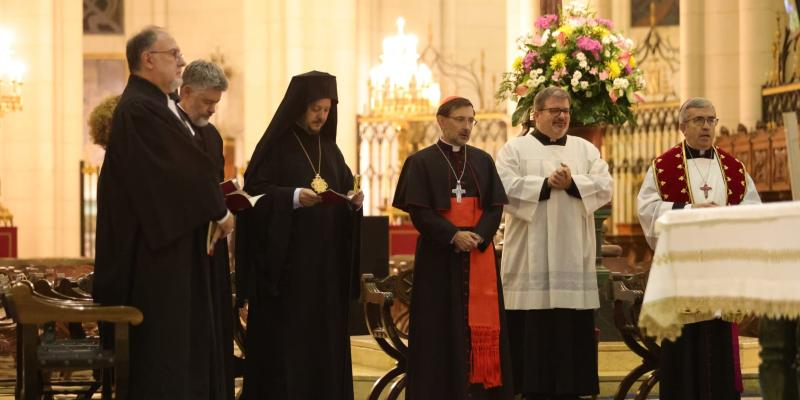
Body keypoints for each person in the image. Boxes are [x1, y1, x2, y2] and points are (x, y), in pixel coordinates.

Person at [93, 26, 234, 399]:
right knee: (163, 356)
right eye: (174, 54)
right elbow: (181, 172)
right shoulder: (140, 109)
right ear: (148, 59)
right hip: (151, 259)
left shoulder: (154, 105)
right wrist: (219, 212)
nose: (181, 62)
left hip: (167, 251)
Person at [235, 70, 363, 400]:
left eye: (327, 110)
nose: (322, 116)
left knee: (324, 350)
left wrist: (353, 202)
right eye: (315, 109)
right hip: (286, 275)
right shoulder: (275, 148)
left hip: (325, 275)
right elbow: (253, 197)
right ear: (299, 107)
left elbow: (345, 189)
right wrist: (292, 197)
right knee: (287, 354)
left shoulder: (330, 151)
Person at [637, 97, 761, 400]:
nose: (706, 126)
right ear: (683, 127)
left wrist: (725, 216)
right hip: (682, 274)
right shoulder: (663, 167)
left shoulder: (734, 169)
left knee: (718, 347)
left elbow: (753, 211)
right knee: (685, 349)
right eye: (698, 120)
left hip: (721, 274)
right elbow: (647, 210)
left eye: (711, 120)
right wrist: (689, 210)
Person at [392, 96, 513, 399]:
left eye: (471, 120)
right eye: (460, 119)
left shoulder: (483, 160)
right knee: (439, 327)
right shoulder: (421, 162)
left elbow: (495, 207)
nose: (466, 126)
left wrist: (478, 236)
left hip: (478, 255)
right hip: (438, 257)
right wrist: (453, 235)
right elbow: (420, 212)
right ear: (441, 121)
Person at [495, 86, 612, 400]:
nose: (562, 116)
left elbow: (605, 185)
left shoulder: (585, 149)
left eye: (566, 111)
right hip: (529, 259)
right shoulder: (514, 150)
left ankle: (571, 390)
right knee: (533, 329)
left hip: (573, 254)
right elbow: (503, 188)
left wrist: (573, 183)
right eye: (554, 111)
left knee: (570, 328)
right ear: (536, 114)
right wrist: (546, 184)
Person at [176, 59, 235, 399]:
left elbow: (213, 183)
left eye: (216, 103)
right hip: (182, 244)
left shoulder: (212, 136)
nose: (212, 110)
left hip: (212, 242)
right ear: (185, 92)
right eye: (206, 102)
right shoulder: (169, 129)